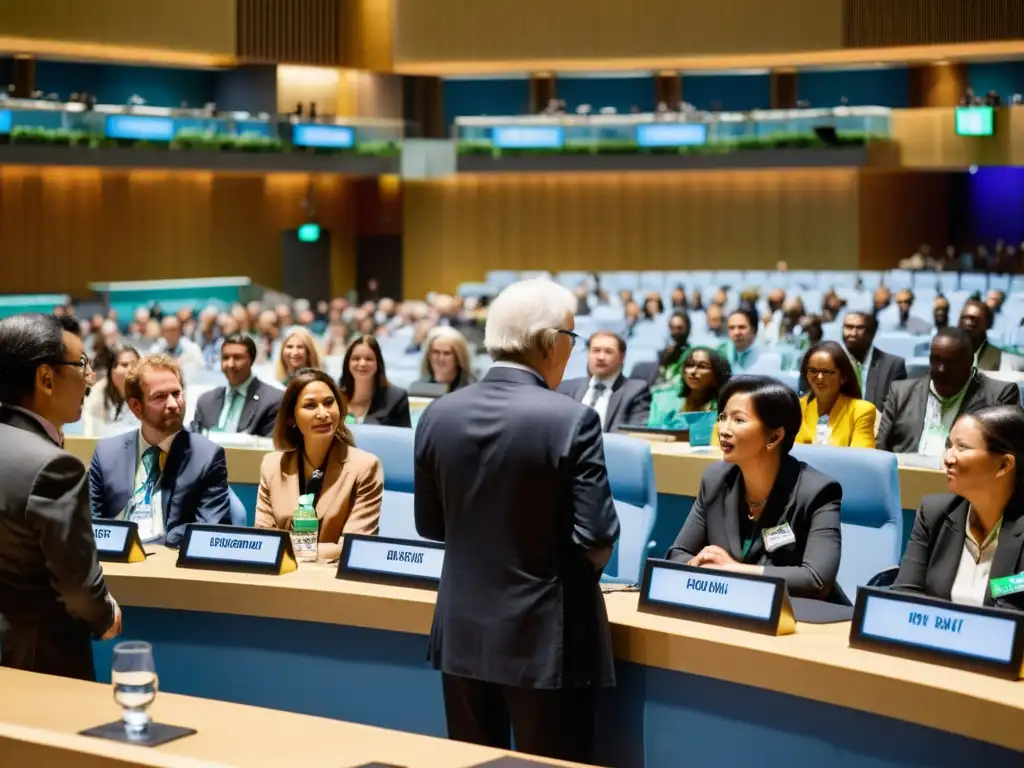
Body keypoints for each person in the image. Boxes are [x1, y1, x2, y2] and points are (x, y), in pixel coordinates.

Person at [414, 278, 620, 763]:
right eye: (571, 338)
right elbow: (596, 536)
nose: (571, 350)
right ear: (550, 341)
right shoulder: (573, 419)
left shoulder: (437, 414)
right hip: (545, 642)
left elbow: (430, 525)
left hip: (462, 632)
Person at [0, 313, 121, 680]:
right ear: (46, 378)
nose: (89, 378)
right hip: (40, 660)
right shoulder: (53, 467)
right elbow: (79, 590)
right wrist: (107, 614)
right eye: (81, 364)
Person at [666, 376, 844, 602]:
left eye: (738, 420)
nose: (723, 429)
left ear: (774, 436)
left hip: (799, 618)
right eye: (722, 417)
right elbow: (677, 555)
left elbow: (816, 580)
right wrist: (706, 564)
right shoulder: (715, 480)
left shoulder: (818, 491)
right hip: (733, 607)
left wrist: (734, 570)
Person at [88, 354, 232, 546]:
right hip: (112, 564)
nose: (173, 404)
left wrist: (146, 545)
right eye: (160, 397)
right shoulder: (107, 453)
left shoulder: (207, 456)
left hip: (171, 565)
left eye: (176, 393)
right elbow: (89, 524)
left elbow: (210, 532)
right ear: (136, 407)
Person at [894, 406, 1024, 611]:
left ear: (1004, 465)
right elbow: (904, 594)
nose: (947, 458)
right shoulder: (934, 513)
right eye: (949, 445)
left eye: (962, 448)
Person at [256, 369, 383, 561]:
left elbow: (355, 547)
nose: (323, 414)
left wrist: (291, 550)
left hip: (333, 580)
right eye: (310, 406)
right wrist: (324, 550)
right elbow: (264, 540)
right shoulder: (272, 465)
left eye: (329, 403)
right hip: (282, 576)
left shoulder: (365, 467)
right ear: (291, 418)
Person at [876, 329, 1020, 455]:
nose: (941, 369)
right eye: (935, 360)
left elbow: (1002, 457)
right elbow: (881, 451)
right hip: (905, 479)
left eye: (950, 363)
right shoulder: (901, 393)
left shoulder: (998, 396)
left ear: (969, 362)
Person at [557, 331, 651, 433]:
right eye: (596, 350)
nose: (601, 357)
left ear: (622, 357)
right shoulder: (566, 389)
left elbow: (634, 435)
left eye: (608, 351)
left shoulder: (636, 391)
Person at [191, 334, 282, 437]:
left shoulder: (273, 400)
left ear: (251, 361)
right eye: (225, 358)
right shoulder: (205, 402)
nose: (230, 364)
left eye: (237, 358)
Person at [796, 341, 877, 448]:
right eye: (813, 370)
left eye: (827, 372)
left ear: (843, 378)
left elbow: (861, 460)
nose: (819, 377)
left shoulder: (861, 411)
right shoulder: (796, 408)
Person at [647, 347, 731, 433]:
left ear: (716, 374)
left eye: (702, 366)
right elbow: (653, 432)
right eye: (689, 365)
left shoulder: (725, 406)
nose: (693, 371)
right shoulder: (663, 399)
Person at [338, 334, 411, 427]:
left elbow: (404, 438)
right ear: (347, 363)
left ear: (378, 363)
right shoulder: (336, 397)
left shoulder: (397, 399)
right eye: (356, 358)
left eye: (369, 359)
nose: (362, 363)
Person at [841, 311, 907, 412]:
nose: (853, 334)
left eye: (859, 328)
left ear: (872, 332)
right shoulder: (830, 363)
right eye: (849, 327)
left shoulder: (893, 366)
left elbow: (898, 412)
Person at [83, 343, 140, 435]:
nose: (131, 369)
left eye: (135, 364)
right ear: (112, 371)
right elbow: (90, 434)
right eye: (125, 365)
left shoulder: (147, 394)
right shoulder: (96, 394)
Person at [416, 326, 476, 392]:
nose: (441, 359)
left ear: (458, 357)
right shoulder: (418, 389)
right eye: (436, 352)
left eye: (447, 353)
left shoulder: (472, 390)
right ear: (428, 355)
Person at [959, 298, 1002, 371]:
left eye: (974, 319)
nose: (968, 323)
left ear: (988, 323)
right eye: (964, 318)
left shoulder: (995, 354)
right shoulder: (949, 349)